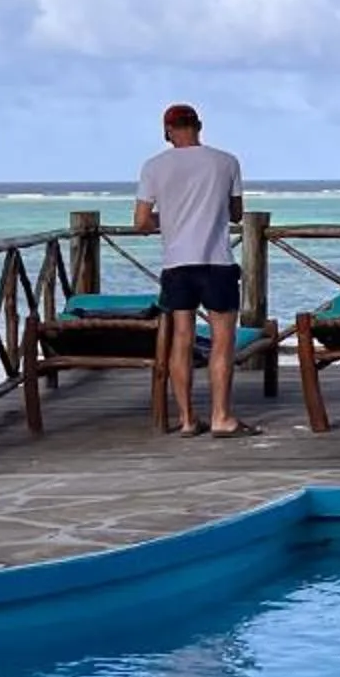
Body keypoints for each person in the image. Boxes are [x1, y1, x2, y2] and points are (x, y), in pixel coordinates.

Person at [134, 102, 251, 437]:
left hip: (177, 265)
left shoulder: (154, 166)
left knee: (181, 340)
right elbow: (236, 214)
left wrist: (170, 218)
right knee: (222, 341)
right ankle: (221, 418)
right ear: (199, 126)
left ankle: (187, 420)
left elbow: (142, 222)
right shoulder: (226, 161)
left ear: (168, 131)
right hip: (217, 262)